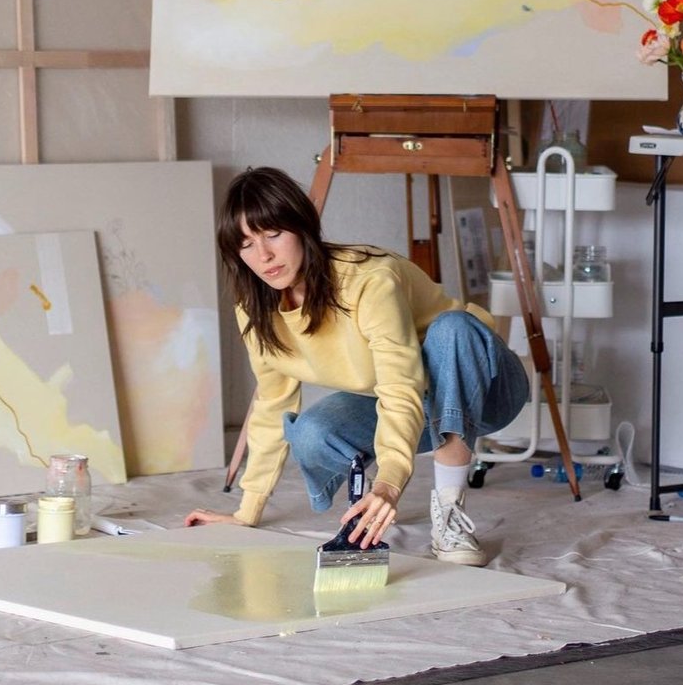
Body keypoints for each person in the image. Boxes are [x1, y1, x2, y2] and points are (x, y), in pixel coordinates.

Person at [185, 166, 529, 565]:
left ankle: (450, 511)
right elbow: (272, 403)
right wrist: (247, 512)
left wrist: (390, 483)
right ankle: (365, 507)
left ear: (302, 226)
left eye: (273, 234)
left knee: (452, 328)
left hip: (487, 389)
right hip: (422, 407)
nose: (263, 256)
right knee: (311, 432)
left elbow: (400, 386)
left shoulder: (368, 280)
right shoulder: (255, 308)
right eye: (246, 244)